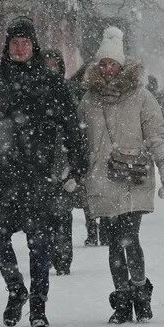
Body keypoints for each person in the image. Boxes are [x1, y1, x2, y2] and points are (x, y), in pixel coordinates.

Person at [0, 16, 88, 327]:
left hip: (38, 176)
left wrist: (78, 164)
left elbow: (71, 126)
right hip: (1, 176)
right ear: (7, 46)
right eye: (14, 42)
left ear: (34, 46)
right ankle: (16, 290)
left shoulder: (51, 82)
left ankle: (39, 304)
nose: (19, 47)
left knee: (40, 242)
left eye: (25, 42)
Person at [79, 26, 164, 323]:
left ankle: (140, 293)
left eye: (113, 64)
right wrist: (73, 170)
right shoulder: (88, 101)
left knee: (128, 236)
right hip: (102, 179)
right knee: (113, 240)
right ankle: (122, 301)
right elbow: (77, 140)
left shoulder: (141, 96)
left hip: (133, 176)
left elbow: (157, 133)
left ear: (122, 65)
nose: (108, 70)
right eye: (103, 64)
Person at [43, 50, 80, 276]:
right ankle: (45, 254)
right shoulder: (34, 91)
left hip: (62, 161)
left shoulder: (67, 91)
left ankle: (63, 258)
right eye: (46, 64)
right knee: (43, 215)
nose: (50, 68)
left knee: (62, 214)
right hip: (40, 163)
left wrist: (75, 167)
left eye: (54, 64)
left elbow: (76, 131)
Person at [68, 61, 104, 248]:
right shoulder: (77, 90)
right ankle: (95, 231)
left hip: (93, 143)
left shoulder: (95, 90)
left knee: (95, 190)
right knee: (88, 190)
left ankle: (98, 230)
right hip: (83, 143)